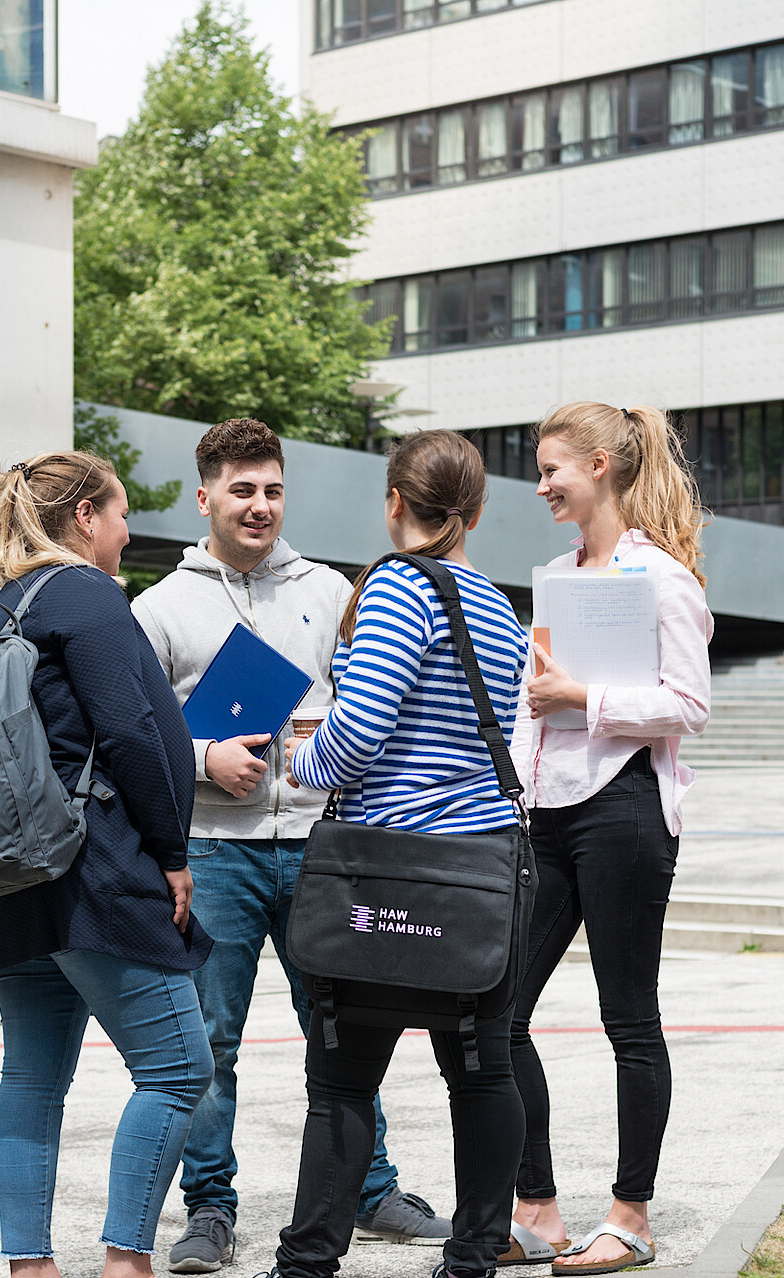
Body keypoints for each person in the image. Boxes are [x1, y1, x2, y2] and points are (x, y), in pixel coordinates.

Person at [131, 418, 451, 1269]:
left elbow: (372, 704)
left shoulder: (337, 591)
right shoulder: (157, 608)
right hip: (214, 849)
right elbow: (129, 736)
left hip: (319, 843)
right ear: (204, 498)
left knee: (345, 1027)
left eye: (272, 489)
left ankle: (371, 1190)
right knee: (210, 1040)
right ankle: (210, 1208)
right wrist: (203, 757)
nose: (260, 505)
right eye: (241, 490)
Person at [272, 429, 530, 1278]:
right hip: (480, 874)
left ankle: (307, 1265)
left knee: (342, 1085)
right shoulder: (497, 604)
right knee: (482, 1075)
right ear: (477, 511)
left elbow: (351, 745)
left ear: (394, 503)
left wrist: (290, 758)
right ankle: (471, 1261)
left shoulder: (394, 589)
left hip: (389, 870)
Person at [0, 451, 213, 1278]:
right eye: (120, 512)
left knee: (31, 1076)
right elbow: (135, 731)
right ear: (83, 518)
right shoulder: (87, 596)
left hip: (8, 878)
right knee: (178, 1069)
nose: (126, 530)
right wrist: (172, 855)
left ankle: (30, 1266)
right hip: (90, 870)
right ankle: (125, 1261)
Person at [507, 403, 712, 1275]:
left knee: (628, 1017)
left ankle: (630, 1216)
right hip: (544, 815)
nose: (543, 484)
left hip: (624, 810)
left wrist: (585, 700)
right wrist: (512, 792)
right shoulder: (556, 574)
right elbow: (531, 706)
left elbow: (690, 705)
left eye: (554, 469)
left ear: (599, 464)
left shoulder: (664, 579)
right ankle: (539, 1208)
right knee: (497, 1009)